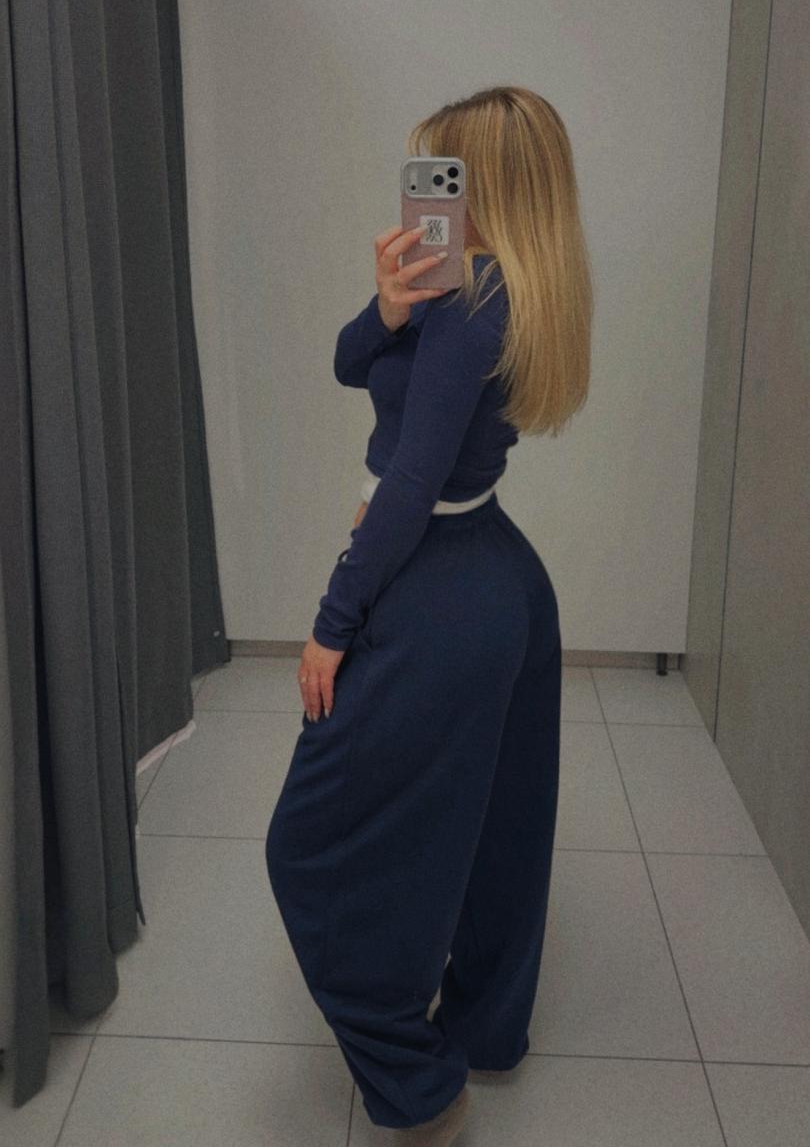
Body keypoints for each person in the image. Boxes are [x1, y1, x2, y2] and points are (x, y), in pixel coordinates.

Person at [266, 85, 594, 1144]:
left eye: (446, 172)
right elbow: (346, 364)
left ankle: (418, 1090)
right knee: (498, 826)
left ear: (483, 182)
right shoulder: (494, 288)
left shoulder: (472, 302)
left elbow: (408, 486)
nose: (429, 195)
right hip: (501, 576)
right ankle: (485, 1032)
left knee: (307, 847)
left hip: (437, 580)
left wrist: (333, 623)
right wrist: (387, 308)